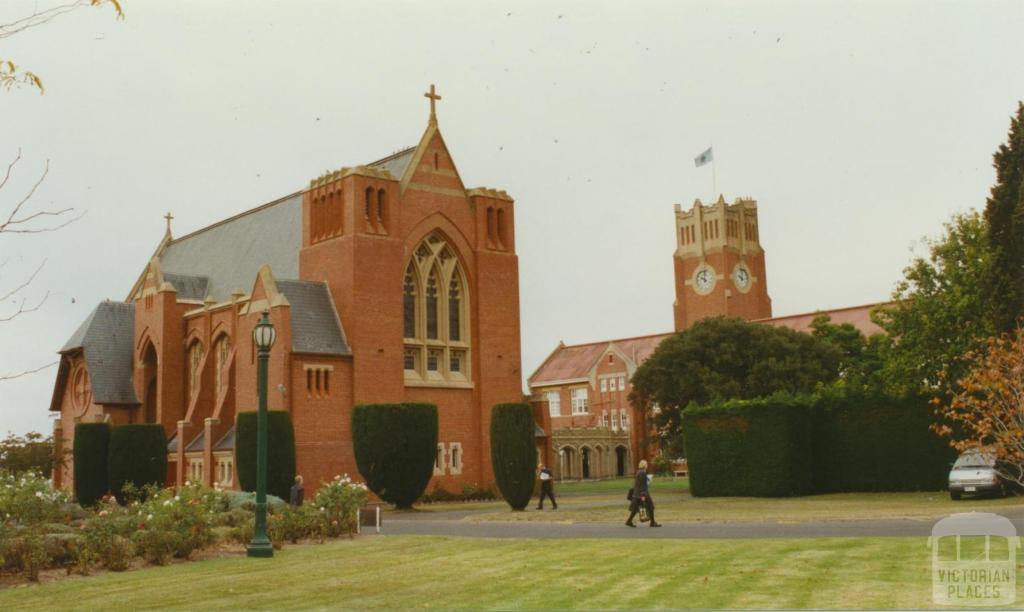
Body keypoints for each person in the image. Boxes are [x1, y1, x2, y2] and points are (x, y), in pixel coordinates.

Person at [626, 459, 660, 527]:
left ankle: (629, 521)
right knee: (650, 506)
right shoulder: (643, 473)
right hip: (642, 494)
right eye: (646, 464)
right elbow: (643, 485)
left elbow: (638, 483)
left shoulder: (639, 472)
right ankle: (652, 522)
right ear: (644, 465)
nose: (647, 465)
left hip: (637, 494)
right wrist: (643, 495)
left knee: (635, 509)